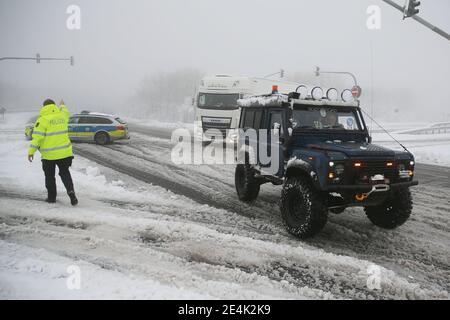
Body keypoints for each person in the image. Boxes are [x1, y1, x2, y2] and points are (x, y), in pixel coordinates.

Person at [28, 99, 78, 205]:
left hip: (48, 156)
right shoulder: (62, 116)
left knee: (50, 176)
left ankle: (51, 198)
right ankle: (71, 192)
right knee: (65, 173)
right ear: (54, 106)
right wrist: (63, 105)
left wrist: (31, 151)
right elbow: (66, 112)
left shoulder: (42, 120)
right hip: (65, 154)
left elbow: (37, 138)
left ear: (44, 107)